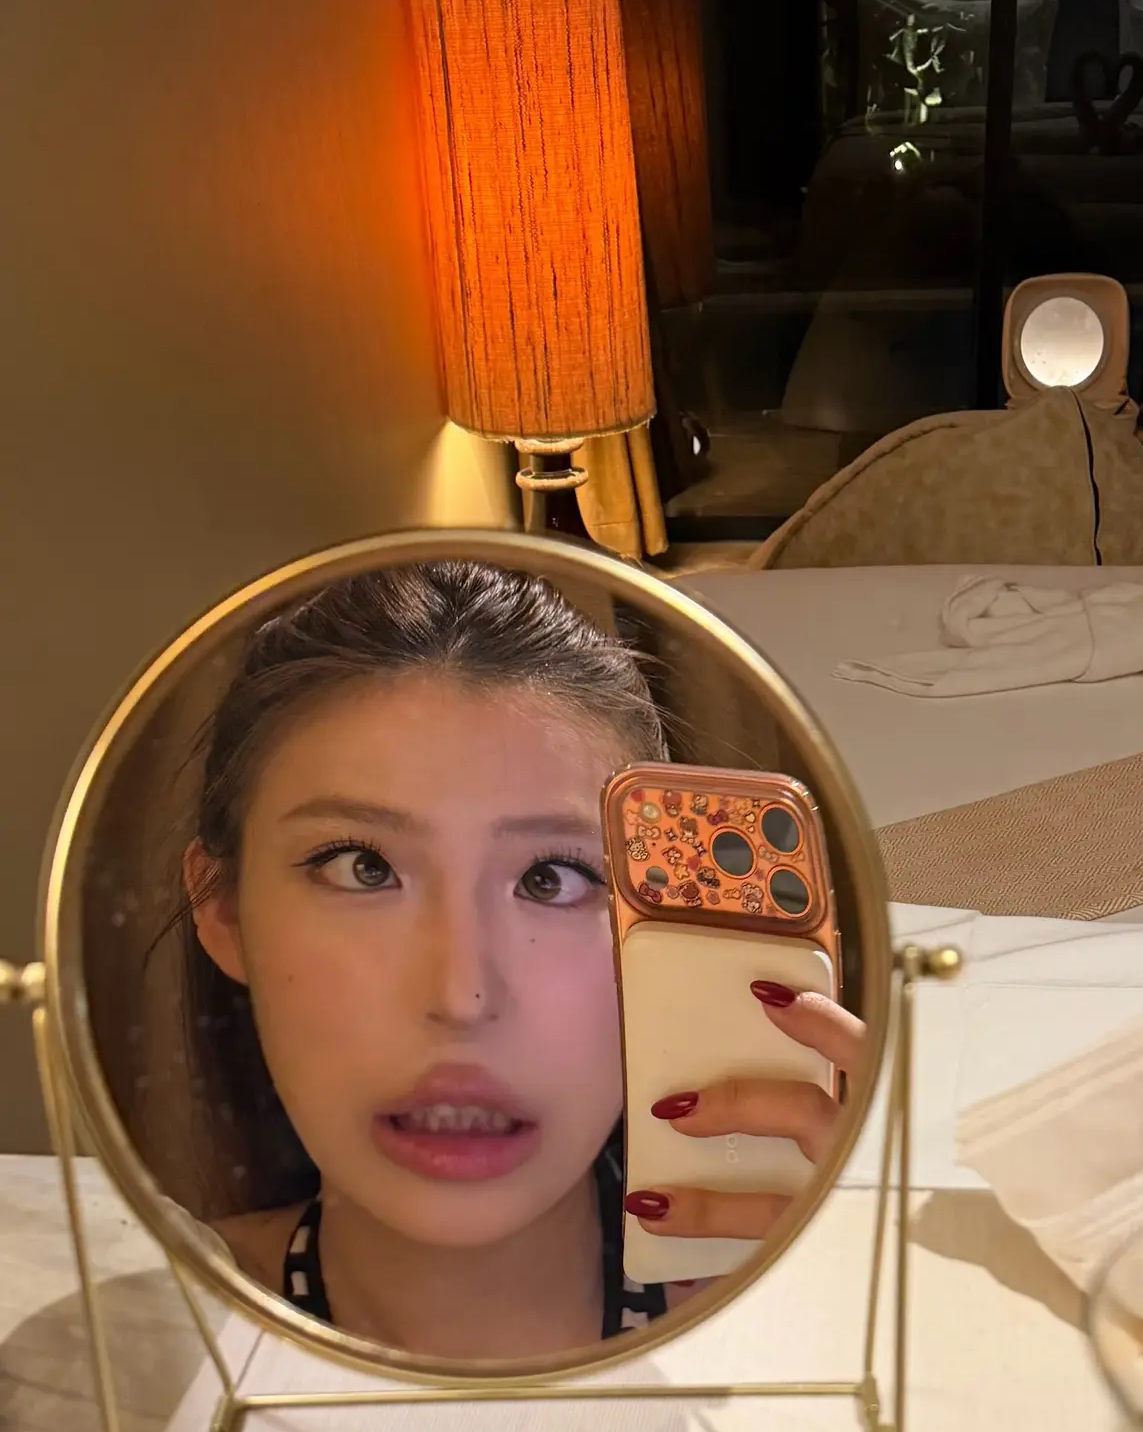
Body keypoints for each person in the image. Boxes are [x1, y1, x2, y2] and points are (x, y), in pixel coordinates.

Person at [175, 559, 863, 1362]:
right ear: (223, 909)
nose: (461, 995)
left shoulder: (827, 1329)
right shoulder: (132, 1339)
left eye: (551, 879)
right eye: (362, 868)